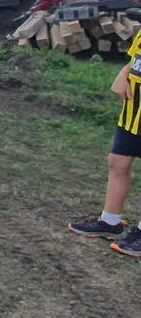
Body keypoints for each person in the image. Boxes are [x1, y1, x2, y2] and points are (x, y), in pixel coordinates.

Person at [67, 30, 141, 256]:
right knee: (118, 162)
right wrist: (123, 74)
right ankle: (110, 222)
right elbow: (135, 59)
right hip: (133, 113)